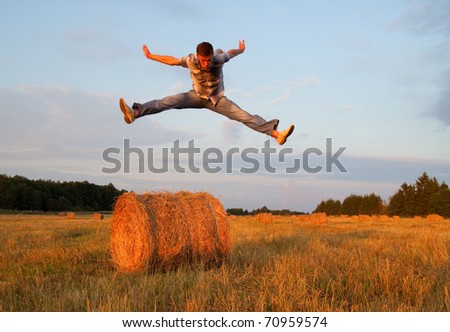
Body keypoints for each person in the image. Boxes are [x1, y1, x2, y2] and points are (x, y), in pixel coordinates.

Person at [119, 40, 295, 145]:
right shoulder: (190, 60)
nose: (206, 64)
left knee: (243, 116)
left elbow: (231, 53)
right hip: (196, 96)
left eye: (209, 60)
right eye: (203, 61)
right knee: (167, 101)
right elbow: (171, 61)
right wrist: (151, 56)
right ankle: (135, 112)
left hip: (217, 100)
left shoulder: (219, 59)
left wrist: (241, 49)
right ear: (197, 56)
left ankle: (277, 135)